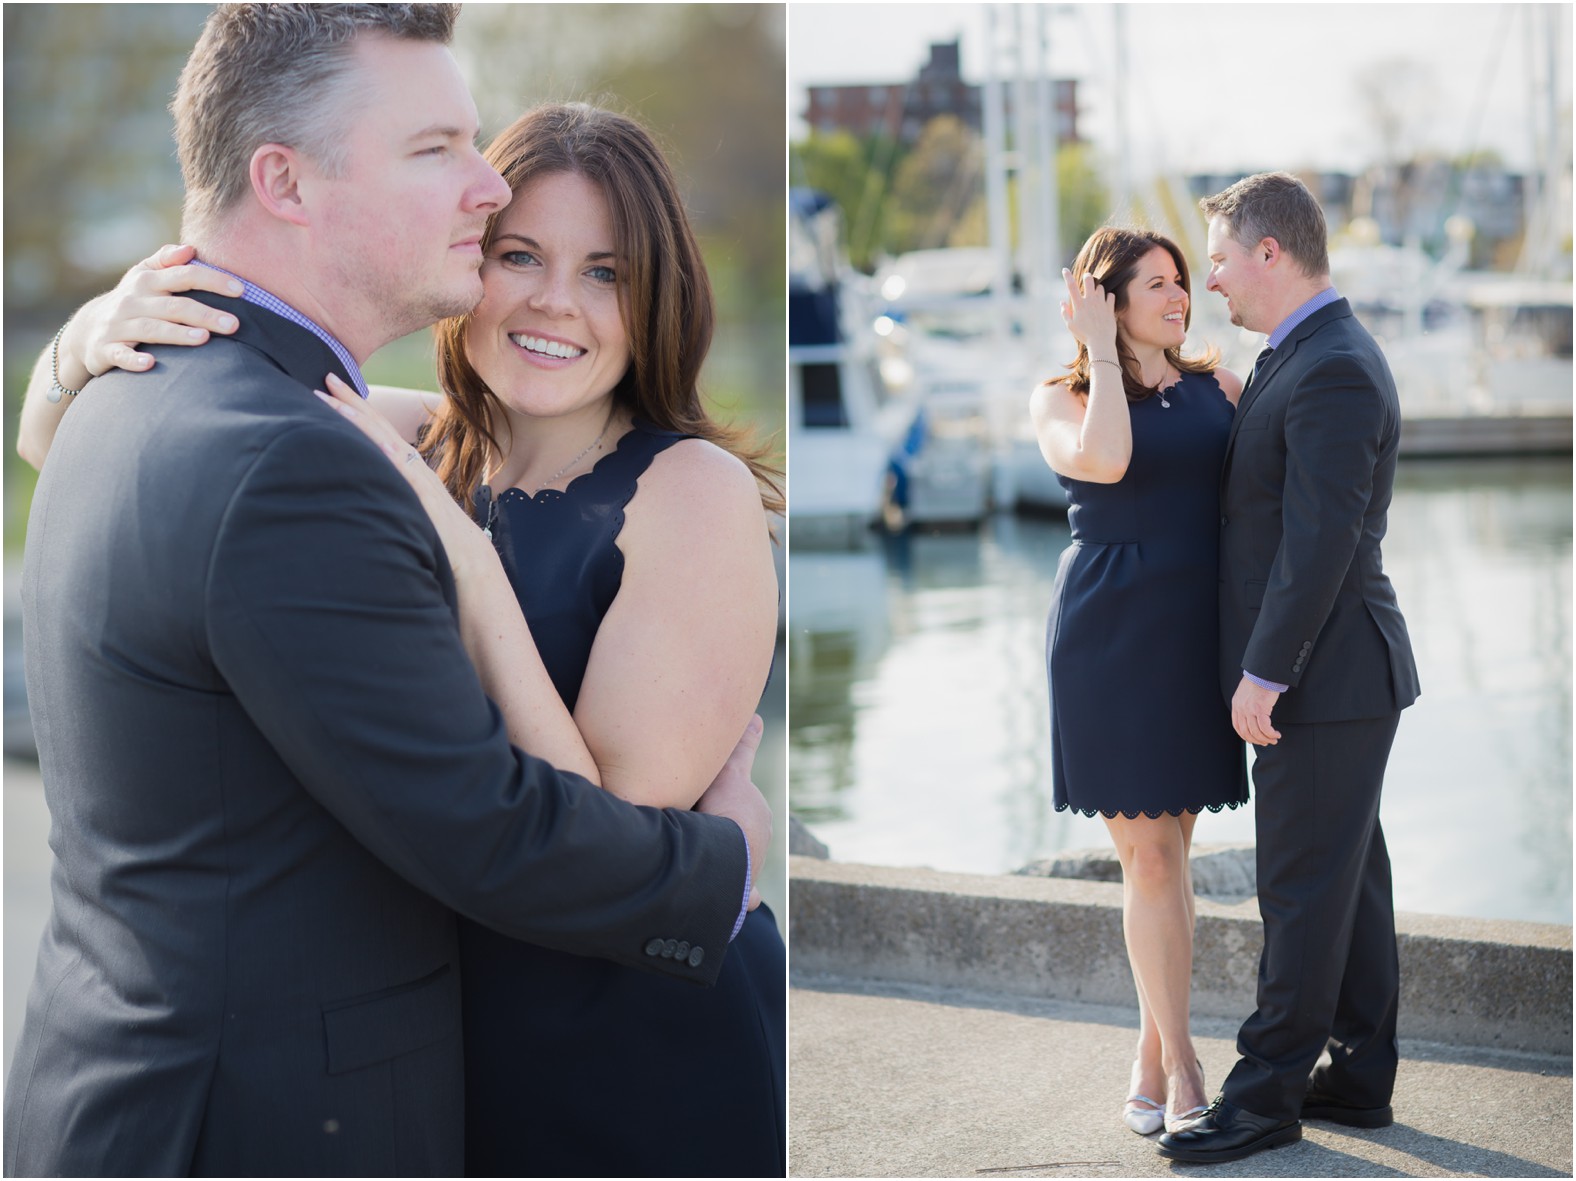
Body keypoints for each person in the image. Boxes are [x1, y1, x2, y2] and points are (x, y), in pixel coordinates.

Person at [4, 7, 772, 1177]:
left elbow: (597, 832)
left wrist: (472, 569)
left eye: (607, 271)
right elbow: (139, 473)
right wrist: (88, 343)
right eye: (520, 250)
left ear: (658, 292)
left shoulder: (684, 492)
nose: (555, 299)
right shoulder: (389, 440)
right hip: (412, 1052)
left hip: (611, 1046)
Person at [1157, 172, 1420, 1165]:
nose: (1212, 278)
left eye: (1219, 257)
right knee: (1347, 884)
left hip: (1324, 675)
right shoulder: (1299, 356)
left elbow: (1319, 543)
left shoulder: (1334, 366)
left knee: (1302, 888)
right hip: (1337, 674)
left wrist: (1263, 674)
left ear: (1270, 252)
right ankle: (1358, 1075)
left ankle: (1261, 1095)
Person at [1030, 227, 1248, 1138]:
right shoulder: (1058, 397)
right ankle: (1187, 1058)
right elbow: (1108, 461)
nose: (1177, 297)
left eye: (1179, 281)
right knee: (1149, 859)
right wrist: (1101, 356)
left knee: (1175, 854)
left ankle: (1151, 1051)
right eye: (1154, 284)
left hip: (1198, 632)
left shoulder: (1221, 388)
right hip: (1110, 636)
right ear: (1103, 298)